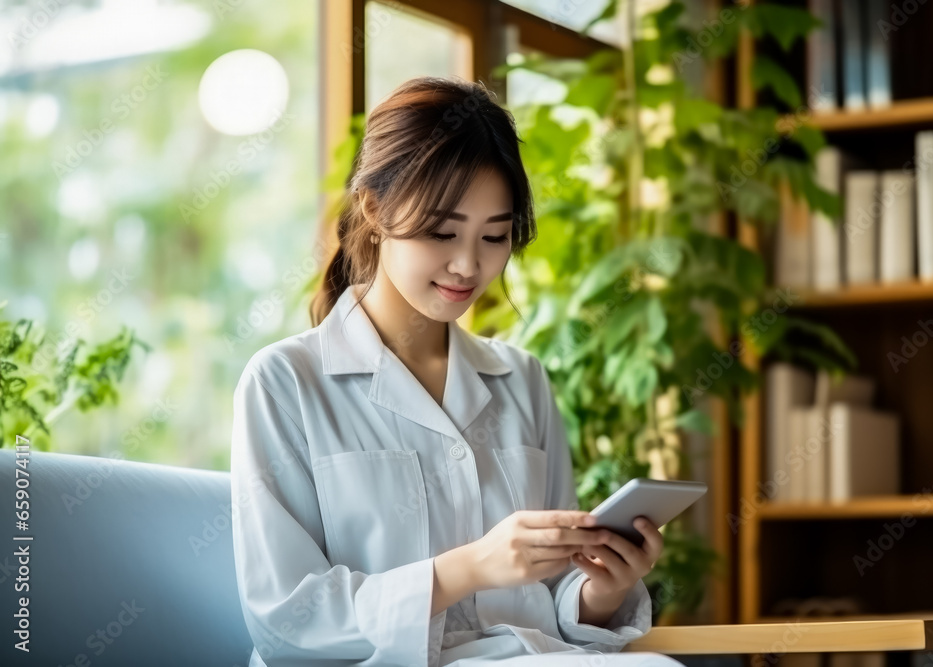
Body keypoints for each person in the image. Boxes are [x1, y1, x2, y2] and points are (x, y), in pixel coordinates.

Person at [230, 75, 686, 667]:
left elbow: (554, 601)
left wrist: (602, 589)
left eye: (494, 237)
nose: (468, 264)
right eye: (443, 232)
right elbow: (287, 622)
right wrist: (469, 567)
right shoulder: (284, 382)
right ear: (374, 209)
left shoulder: (521, 381)